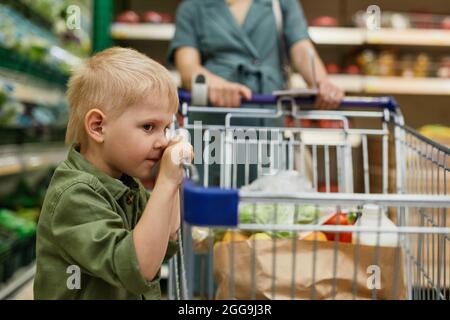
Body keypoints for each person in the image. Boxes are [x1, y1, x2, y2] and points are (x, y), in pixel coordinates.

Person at [33, 47, 193, 299]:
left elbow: (165, 242)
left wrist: (173, 182)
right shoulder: (75, 194)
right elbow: (139, 268)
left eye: (166, 128)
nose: (162, 141)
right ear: (98, 126)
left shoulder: (125, 182)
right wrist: (166, 181)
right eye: (149, 126)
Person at [169, 0, 344, 113]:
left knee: (270, 168)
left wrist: (321, 82)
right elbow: (188, 68)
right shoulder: (192, 8)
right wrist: (213, 83)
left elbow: (301, 48)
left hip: (268, 111)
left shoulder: (281, 3)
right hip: (215, 119)